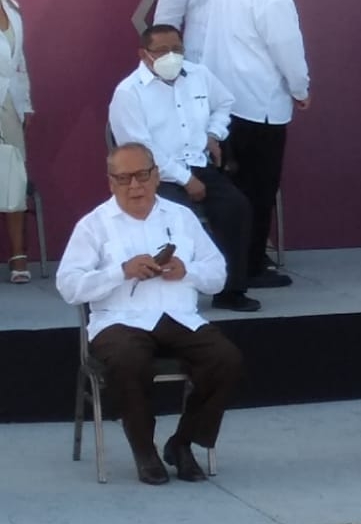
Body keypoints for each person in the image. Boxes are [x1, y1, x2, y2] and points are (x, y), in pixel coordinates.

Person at [56, 144, 244, 485]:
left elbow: (218, 274)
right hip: (120, 320)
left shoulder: (181, 217)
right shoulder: (94, 225)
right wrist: (120, 271)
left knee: (226, 359)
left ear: (156, 176)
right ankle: (145, 451)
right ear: (110, 182)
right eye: (124, 178)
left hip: (179, 317)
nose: (135, 186)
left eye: (142, 175)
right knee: (128, 360)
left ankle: (183, 443)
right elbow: (68, 286)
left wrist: (186, 271)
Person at [109, 25, 256, 312]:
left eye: (176, 49)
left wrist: (214, 134)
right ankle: (174, 294)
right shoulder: (128, 93)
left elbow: (225, 102)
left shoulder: (198, 75)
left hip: (200, 164)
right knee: (175, 220)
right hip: (155, 176)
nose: (171, 56)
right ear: (144, 55)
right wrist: (185, 179)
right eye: (162, 50)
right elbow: (141, 150)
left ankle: (230, 289)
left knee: (236, 208)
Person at [203, 0, 315, 289]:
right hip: (260, 104)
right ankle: (250, 265)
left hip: (224, 99)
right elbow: (286, 47)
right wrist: (301, 89)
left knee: (233, 190)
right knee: (259, 190)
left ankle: (231, 262)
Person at [0, 0, 31, 284]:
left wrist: (27, 102)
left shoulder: (13, 9)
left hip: (11, 104)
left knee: (14, 177)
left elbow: (19, 62)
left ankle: (18, 255)